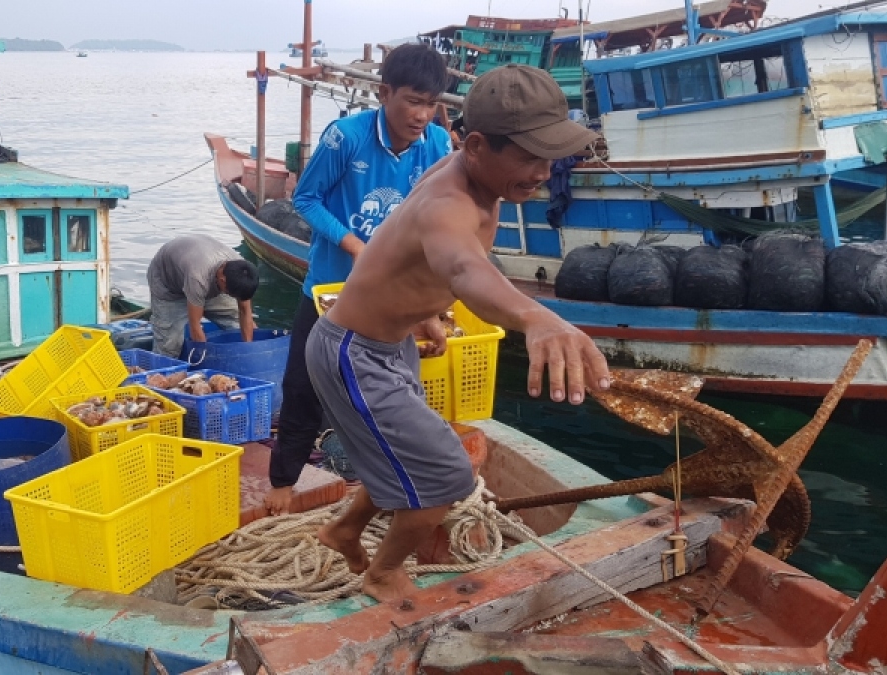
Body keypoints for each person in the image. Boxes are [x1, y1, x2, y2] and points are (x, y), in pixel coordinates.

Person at [307, 64, 611, 605]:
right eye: (527, 156)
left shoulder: (462, 169)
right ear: (475, 145)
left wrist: (423, 308)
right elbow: (466, 269)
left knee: (403, 458)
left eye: (549, 156)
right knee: (445, 476)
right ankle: (382, 573)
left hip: (391, 341)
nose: (542, 172)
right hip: (353, 355)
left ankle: (344, 531)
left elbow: (408, 253)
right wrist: (537, 318)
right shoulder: (450, 204)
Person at [264, 43, 454, 515]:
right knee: (302, 386)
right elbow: (307, 200)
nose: (421, 114)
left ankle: (383, 485)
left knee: (398, 391)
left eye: (431, 103)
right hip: (331, 288)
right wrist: (356, 248)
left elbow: (435, 217)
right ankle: (283, 483)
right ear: (384, 92)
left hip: (394, 295)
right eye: (412, 100)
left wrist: (428, 307)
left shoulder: (437, 144)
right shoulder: (343, 138)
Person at [147, 234, 258, 360]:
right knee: (169, 345)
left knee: (236, 324)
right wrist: (206, 361)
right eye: (230, 293)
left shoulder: (241, 272)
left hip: (203, 278)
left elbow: (245, 311)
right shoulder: (198, 277)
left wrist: (250, 352)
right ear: (222, 280)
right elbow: (195, 326)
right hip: (169, 287)